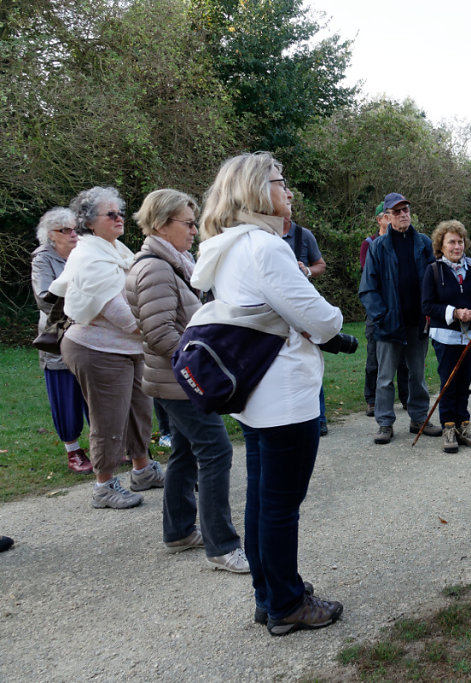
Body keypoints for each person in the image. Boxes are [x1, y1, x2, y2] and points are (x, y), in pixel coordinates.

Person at [191, 152, 344, 634]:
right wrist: (334, 323)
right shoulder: (265, 247)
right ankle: (286, 604)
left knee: (263, 501)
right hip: (284, 393)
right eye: (281, 182)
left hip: (257, 394)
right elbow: (320, 318)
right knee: (280, 506)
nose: (289, 191)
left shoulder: (228, 246)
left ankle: (270, 593)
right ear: (257, 190)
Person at [125, 189, 248, 573]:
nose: (195, 230)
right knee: (216, 450)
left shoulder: (172, 261)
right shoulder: (155, 268)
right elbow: (159, 332)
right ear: (162, 224)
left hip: (170, 379)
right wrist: (201, 365)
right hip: (178, 382)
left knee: (185, 450)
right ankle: (222, 545)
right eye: (189, 223)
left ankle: (179, 531)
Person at [49, 187, 164, 509]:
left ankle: (142, 470)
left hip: (129, 349)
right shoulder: (89, 255)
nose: (119, 218)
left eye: (120, 212)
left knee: (139, 411)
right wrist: (157, 328)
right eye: (110, 214)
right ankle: (104, 485)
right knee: (108, 419)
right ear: (89, 221)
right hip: (97, 350)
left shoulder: (115, 249)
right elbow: (120, 313)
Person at [358, 192, 441, 445]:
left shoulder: (424, 243)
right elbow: (368, 288)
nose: (403, 214)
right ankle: (384, 423)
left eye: (406, 210)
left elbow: (436, 279)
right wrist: (381, 316)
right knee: (385, 377)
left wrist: (431, 312)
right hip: (388, 324)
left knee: (417, 374)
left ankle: (418, 418)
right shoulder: (378, 247)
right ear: (387, 217)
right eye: (397, 211)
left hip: (417, 322)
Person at [30, 207, 91, 473]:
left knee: (95, 391)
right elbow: (44, 298)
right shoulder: (43, 259)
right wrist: (81, 297)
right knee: (65, 393)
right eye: (64, 230)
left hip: (90, 331)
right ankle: (73, 451)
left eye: (74, 229)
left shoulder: (85, 252)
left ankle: (104, 443)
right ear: (50, 236)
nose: (72, 234)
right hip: (58, 335)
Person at [421, 220, 471, 453]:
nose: (457, 246)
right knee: (449, 381)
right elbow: (427, 306)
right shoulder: (433, 271)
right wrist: (455, 312)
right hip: (446, 336)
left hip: (470, 336)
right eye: (452, 242)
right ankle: (448, 426)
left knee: (465, 382)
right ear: (441, 245)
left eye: (460, 242)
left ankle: (463, 424)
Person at [360, 201, 409, 417]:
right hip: (380, 313)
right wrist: (380, 314)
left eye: (403, 211)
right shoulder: (371, 245)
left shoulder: (411, 242)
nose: (397, 217)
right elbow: (369, 279)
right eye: (390, 214)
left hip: (404, 313)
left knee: (405, 362)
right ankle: (373, 401)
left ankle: (407, 399)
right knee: (375, 360)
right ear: (382, 219)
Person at [282, 217, 329, 436]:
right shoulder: (262, 236)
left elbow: (320, 265)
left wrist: (307, 271)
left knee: (309, 360)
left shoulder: (303, 235)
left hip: (301, 309)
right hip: (272, 311)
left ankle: (319, 417)